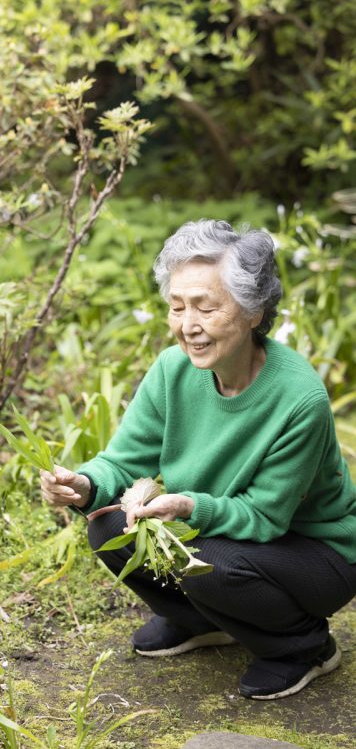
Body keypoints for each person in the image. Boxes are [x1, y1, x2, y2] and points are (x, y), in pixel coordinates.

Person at [40, 219, 356, 700]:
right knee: (106, 526)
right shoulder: (172, 371)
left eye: (206, 307)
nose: (189, 325)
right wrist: (83, 485)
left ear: (253, 311)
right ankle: (203, 621)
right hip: (231, 531)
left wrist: (190, 508)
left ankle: (302, 647)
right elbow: (122, 462)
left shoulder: (298, 398)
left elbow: (266, 516)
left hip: (318, 551)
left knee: (203, 557)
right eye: (177, 306)